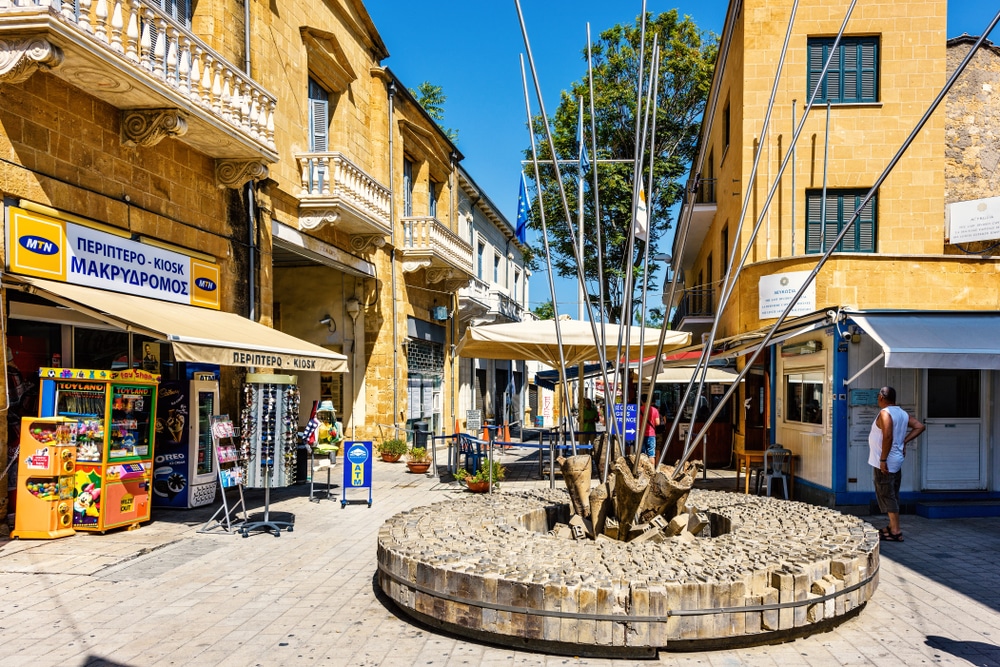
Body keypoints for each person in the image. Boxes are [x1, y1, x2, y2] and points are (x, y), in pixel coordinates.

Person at [868, 386, 924, 542]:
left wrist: (883, 459)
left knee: (887, 494)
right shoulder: (902, 413)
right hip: (896, 459)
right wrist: (904, 442)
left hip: (887, 461)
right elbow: (920, 426)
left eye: (878, 396)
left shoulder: (885, 414)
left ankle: (895, 530)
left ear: (881, 397)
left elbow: (887, 436)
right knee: (891, 492)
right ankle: (892, 526)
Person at [640, 393, 661, 458]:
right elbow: (657, 423)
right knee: (651, 454)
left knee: (642, 454)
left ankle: (642, 468)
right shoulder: (654, 410)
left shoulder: (638, 410)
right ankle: (651, 468)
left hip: (640, 434)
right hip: (651, 434)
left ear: (641, 401)